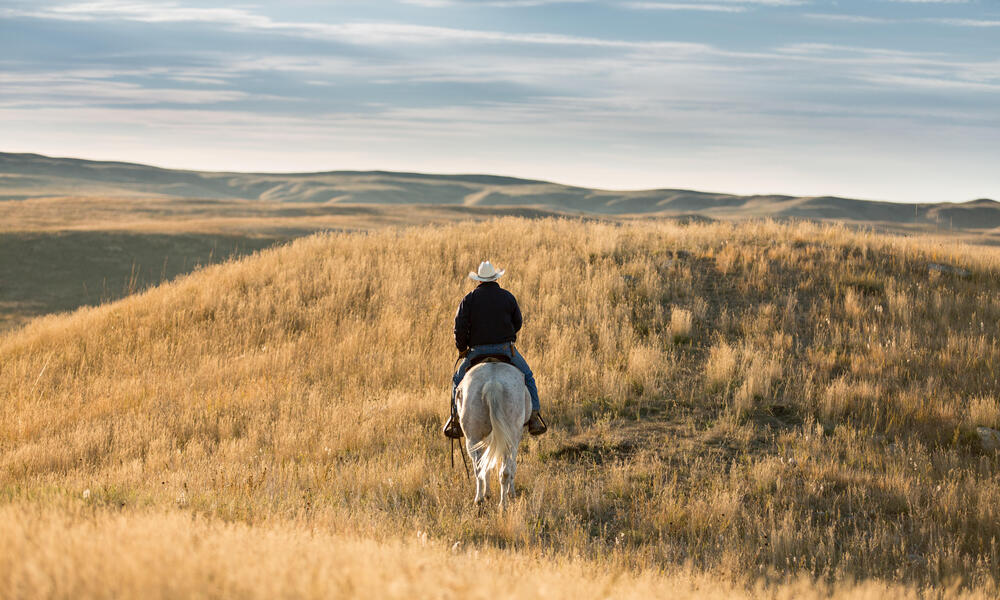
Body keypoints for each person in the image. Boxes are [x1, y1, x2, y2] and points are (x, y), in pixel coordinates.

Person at [443, 260, 547, 438]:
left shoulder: (468, 299)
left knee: (457, 380)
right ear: (495, 278)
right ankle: (534, 417)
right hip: (505, 349)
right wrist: (507, 336)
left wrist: (462, 349)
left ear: (480, 280)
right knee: (528, 376)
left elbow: (459, 328)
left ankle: (455, 419)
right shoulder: (507, 296)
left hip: (476, 352)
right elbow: (518, 322)